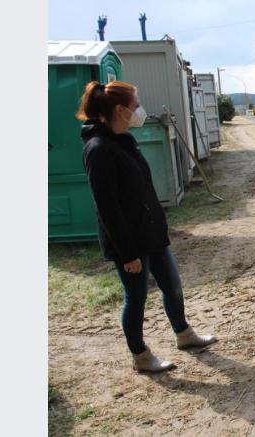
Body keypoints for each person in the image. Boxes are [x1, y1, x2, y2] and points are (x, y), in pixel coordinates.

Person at [78, 80, 217, 373]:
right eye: (136, 105)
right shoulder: (98, 148)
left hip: (151, 233)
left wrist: (160, 227)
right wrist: (127, 253)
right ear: (120, 110)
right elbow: (107, 208)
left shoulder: (123, 140)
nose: (140, 110)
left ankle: (183, 333)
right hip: (129, 242)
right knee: (137, 298)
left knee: (173, 286)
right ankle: (140, 355)